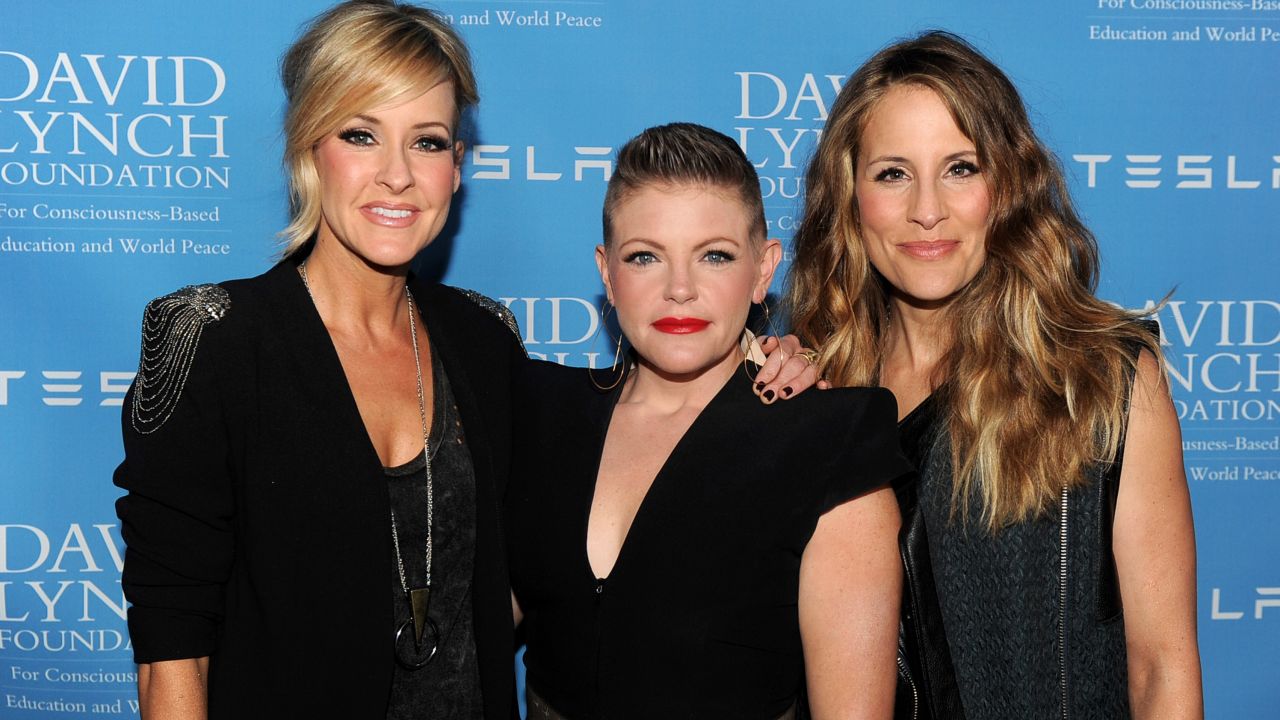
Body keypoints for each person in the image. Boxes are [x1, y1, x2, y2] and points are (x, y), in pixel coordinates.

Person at [112, 4, 816, 718]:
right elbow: (173, 650)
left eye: (427, 142)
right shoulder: (213, 339)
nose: (396, 176)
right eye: (362, 134)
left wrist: (765, 352)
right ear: (309, 147)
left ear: (456, 168)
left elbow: (544, 563)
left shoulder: (484, 342)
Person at [786, 31, 1203, 720]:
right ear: (849, 197)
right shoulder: (814, 394)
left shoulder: (1101, 382)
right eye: (893, 173)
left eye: (960, 168)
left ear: (1007, 184)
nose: (928, 209)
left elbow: (1162, 668)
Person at [506, 123, 909, 720]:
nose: (679, 290)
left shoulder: (830, 442)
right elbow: (467, 638)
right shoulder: (538, 411)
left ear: (763, 270)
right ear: (607, 274)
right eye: (645, 257)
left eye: (714, 256)